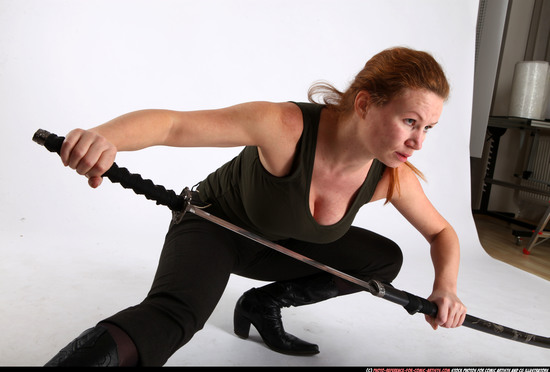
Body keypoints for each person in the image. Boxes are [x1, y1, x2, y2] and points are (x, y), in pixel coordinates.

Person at [44, 46, 467, 367]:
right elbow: (174, 124)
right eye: (410, 121)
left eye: (428, 127)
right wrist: (104, 137)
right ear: (363, 104)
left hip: (279, 245)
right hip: (214, 227)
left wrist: (445, 287)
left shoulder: (392, 177)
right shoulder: (283, 127)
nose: (418, 142)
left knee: (382, 259)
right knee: (176, 315)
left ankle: (263, 304)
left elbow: (441, 233)